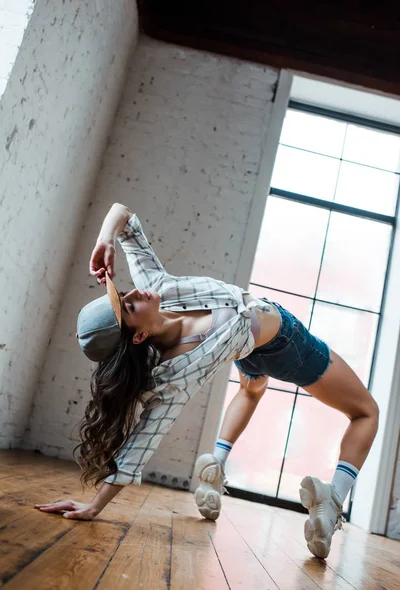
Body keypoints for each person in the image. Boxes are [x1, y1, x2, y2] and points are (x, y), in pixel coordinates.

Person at [35, 203, 379, 559]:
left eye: (124, 295)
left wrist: (105, 239)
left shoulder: (156, 288)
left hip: (248, 350)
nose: (134, 293)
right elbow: (140, 445)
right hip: (288, 343)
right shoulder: (172, 379)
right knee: (367, 412)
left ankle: (216, 462)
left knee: (252, 388)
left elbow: (124, 217)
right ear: (137, 338)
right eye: (130, 307)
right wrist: (94, 507)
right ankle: (333, 500)